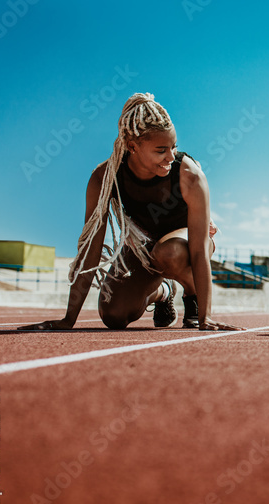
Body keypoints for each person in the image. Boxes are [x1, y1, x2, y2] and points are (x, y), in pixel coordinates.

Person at [20, 93, 242, 332]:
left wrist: (205, 318)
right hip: (142, 245)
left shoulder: (189, 175)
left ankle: (192, 297)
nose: (170, 157)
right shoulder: (105, 178)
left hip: (185, 243)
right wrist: (68, 320)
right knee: (113, 315)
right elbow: (91, 248)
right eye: (160, 150)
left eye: (174, 147)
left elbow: (199, 251)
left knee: (169, 252)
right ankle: (163, 292)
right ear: (132, 145)